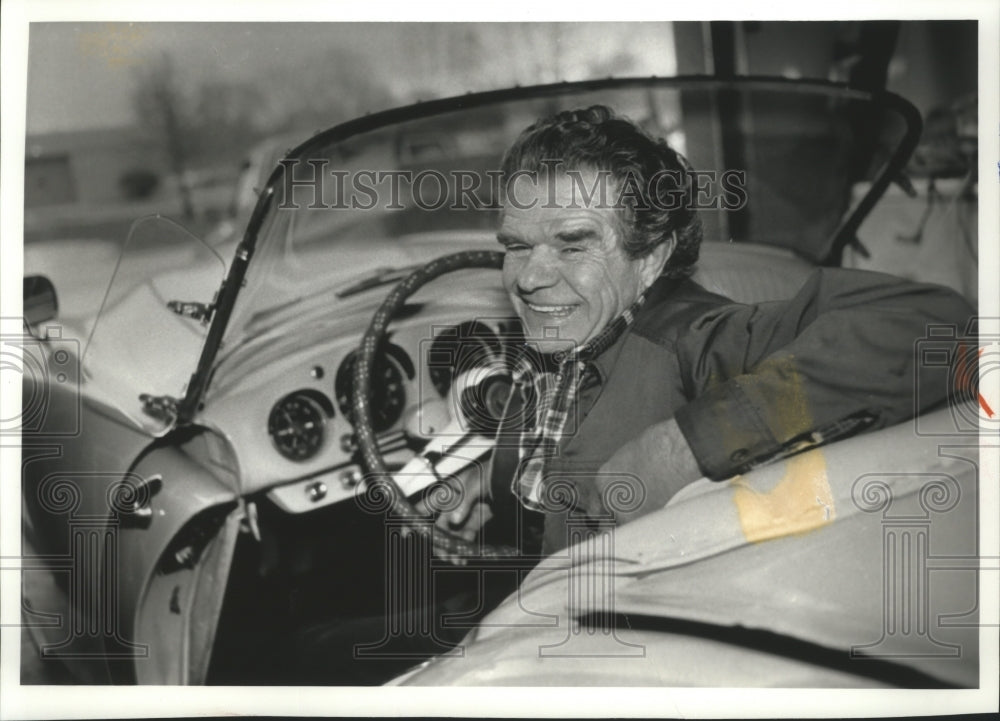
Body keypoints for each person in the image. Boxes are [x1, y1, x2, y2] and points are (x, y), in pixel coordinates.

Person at [428, 104, 976, 556]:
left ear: (651, 258)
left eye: (574, 244)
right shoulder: (571, 334)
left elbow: (942, 327)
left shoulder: (696, 338)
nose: (528, 277)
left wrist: (684, 445)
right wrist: (498, 484)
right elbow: (559, 433)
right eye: (518, 246)